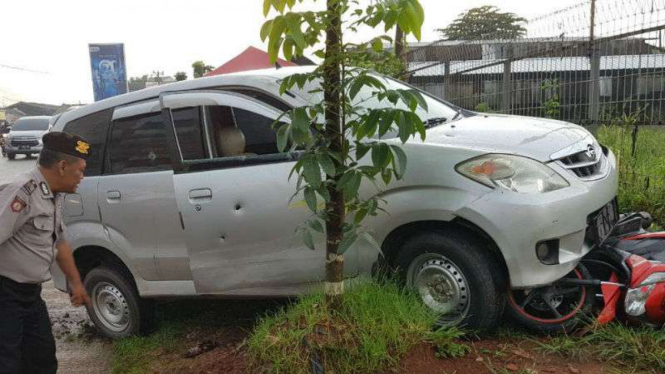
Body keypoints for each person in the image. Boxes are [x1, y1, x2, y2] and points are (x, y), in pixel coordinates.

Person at [0, 131, 92, 374]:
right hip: (5, 294)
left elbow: (59, 243)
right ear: (63, 166)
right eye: (80, 170)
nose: (82, 177)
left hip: (30, 296)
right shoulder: (22, 191)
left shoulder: (54, 195)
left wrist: (76, 283)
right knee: (8, 363)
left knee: (42, 360)